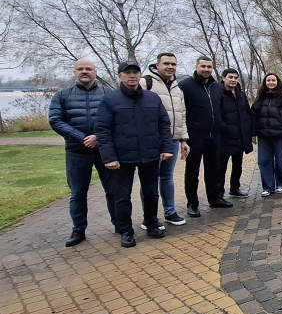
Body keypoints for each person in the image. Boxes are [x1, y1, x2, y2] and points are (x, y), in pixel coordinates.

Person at [95, 61, 174, 248]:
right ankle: (125, 230)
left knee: (151, 193)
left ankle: (152, 223)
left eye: (135, 73)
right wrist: (109, 157)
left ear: (140, 75)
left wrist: (166, 147)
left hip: (150, 154)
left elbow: (163, 124)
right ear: (120, 76)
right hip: (122, 157)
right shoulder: (110, 100)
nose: (132, 76)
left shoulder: (152, 98)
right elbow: (102, 130)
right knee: (122, 195)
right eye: (127, 73)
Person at [48, 58, 117, 247]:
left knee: (113, 190)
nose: (84, 72)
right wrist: (81, 138)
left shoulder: (108, 94)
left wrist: (98, 137)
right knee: (78, 193)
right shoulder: (62, 96)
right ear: (75, 72)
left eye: (88, 69)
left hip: (104, 150)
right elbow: (56, 121)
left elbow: (117, 118)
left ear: (95, 72)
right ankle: (78, 230)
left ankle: (119, 225)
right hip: (76, 151)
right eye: (80, 69)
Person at [141, 53, 190, 227]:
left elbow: (182, 114)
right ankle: (150, 217)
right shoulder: (146, 83)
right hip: (152, 141)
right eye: (166, 63)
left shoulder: (176, 87)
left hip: (173, 140)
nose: (170, 67)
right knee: (150, 179)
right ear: (157, 65)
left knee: (167, 177)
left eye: (173, 64)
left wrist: (184, 139)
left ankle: (170, 212)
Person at [179, 56, 231, 216]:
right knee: (193, 170)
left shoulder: (217, 87)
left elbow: (221, 110)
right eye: (203, 66)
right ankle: (192, 203)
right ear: (196, 67)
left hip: (214, 135)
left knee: (214, 169)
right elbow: (181, 111)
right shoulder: (185, 86)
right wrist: (184, 137)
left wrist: (222, 126)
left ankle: (214, 198)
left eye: (209, 67)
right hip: (195, 136)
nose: (206, 69)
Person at [250, 73, 282, 196]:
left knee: (280, 161)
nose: (271, 82)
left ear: (277, 82)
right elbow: (253, 118)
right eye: (268, 80)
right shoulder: (260, 99)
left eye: (273, 80)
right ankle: (268, 187)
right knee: (264, 161)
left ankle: (281, 184)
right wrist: (253, 134)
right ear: (265, 83)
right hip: (263, 135)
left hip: (280, 135)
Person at [217, 68, 253, 197]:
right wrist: (226, 128)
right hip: (225, 137)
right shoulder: (218, 93)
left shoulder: (241, 94)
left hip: (240, 136)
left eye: (235, 78)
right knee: (221, 167)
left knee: (238, 165)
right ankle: (219, 192)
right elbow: (216, 116)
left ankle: (235, 188)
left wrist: (249, 130)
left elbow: (247, 114)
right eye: (230, 77)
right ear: (223, 78)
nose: (233, 80)